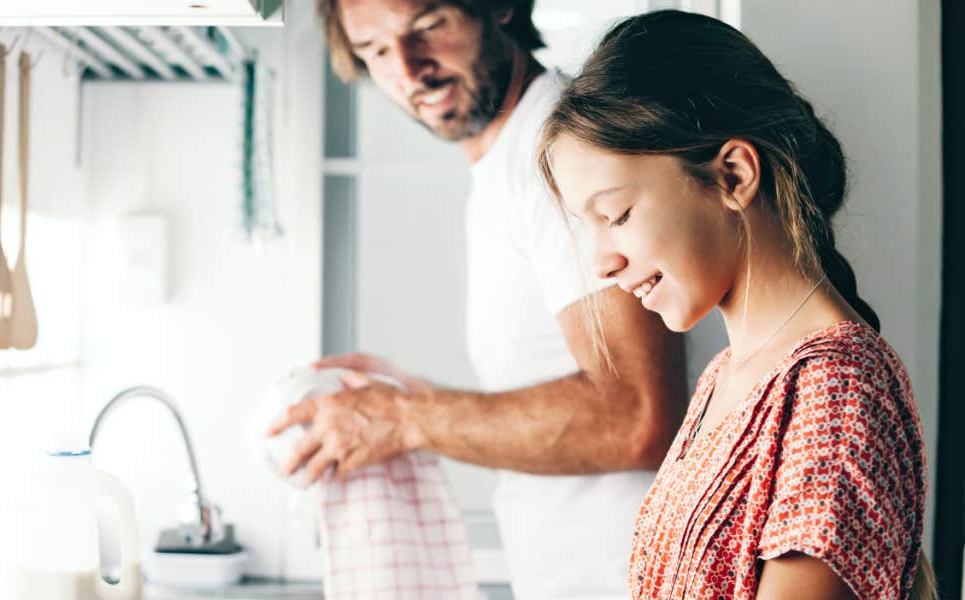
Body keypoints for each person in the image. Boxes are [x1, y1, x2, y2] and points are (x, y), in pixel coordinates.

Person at [267, 1, 690, 597]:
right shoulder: (508, 161)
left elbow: (638, 417)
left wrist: (404, 418)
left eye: (427, 27)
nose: (412, 71)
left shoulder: (558, 149)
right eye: (377, 51)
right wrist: (414, 401)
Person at [537, 10, 935, 599]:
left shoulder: (837, 388)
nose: (601, 262)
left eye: (617, 215)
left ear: (733, 174)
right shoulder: (726, 378)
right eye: (587, 227)